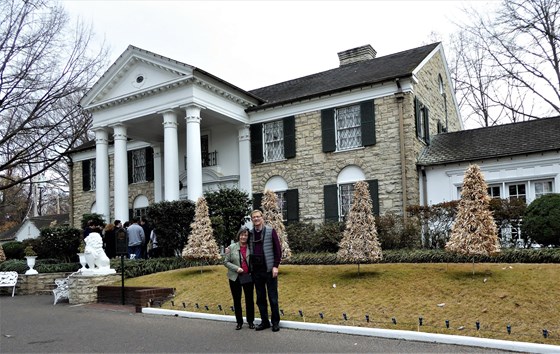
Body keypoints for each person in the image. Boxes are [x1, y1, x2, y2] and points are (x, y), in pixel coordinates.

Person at [248, 209, 282, 332]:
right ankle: (265, 322)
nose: (256, 219)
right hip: (256, 271)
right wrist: (229, 249)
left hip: (269, 270)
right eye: (254, 217)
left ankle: (275, 322)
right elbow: (242, 244)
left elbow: (278, 250)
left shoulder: (270, 231)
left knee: (273, 298)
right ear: (252, 220)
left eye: (258, 216)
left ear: (262, 218)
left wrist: (275, 266)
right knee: (260, 298)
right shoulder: (250, 233)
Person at [224, 226, 255, 330]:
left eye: (246, 235)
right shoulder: (231, 247)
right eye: (242, 235)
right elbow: (225, 262)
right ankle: (239, 322)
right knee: (237, 300)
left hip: (248, 277)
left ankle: (250, 321)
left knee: (249, 300)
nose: (243, 237)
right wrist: (236, 268)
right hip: (235, 277)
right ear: (239, 236)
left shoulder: (251, 247)